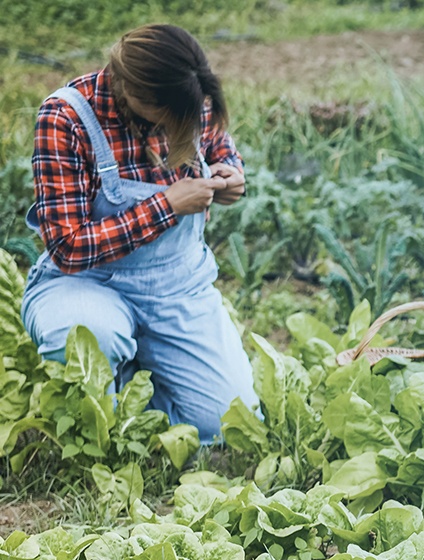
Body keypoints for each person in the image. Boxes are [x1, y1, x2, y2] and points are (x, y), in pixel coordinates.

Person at [23, 24, 256, 444]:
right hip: (85, 283)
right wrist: (165, 206)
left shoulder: (185, 97)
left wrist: (231, 173)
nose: (177, 127)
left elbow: (219, 144)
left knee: (229, 424)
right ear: (137, 94)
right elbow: (66, 246)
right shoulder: (65, 118)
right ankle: (95, 419)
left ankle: (130, 393)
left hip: (177, 287)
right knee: (89, 332)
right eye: (167, 119)